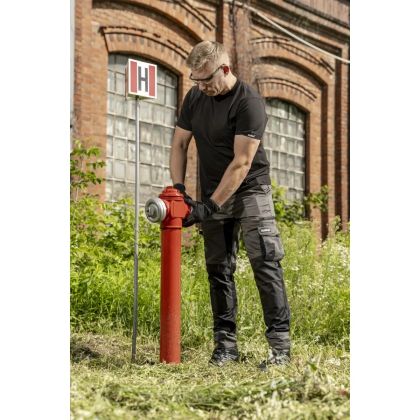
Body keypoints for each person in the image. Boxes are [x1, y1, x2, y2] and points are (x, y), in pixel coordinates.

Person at [169, 41, 291, 370]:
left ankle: (280, 349)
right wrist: (179, 190)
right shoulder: (195, 97)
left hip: (250, 190)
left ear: (225, 69)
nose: (201, 86)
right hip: (214, 189)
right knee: (218, 269)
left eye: (206, 79)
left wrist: (208, 207)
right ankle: (226, 347)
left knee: (265, 262)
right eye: (195, 80)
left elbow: (242, 163)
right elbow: (179, 143)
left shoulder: (248, 102)